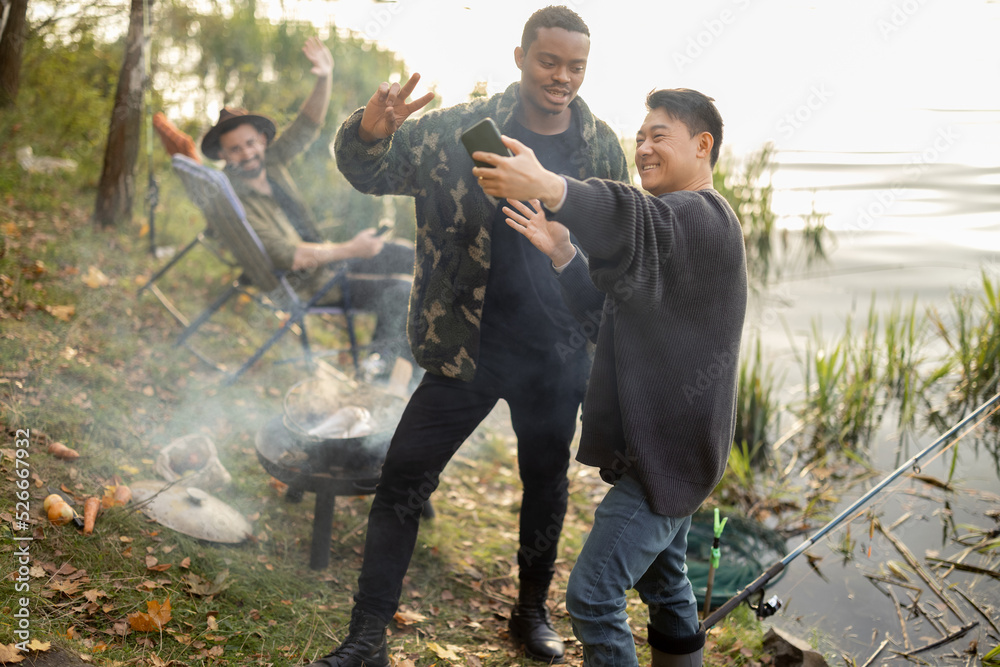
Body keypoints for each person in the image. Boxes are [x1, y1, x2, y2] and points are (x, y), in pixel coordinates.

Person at [305, 7, 629, 667]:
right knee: (402, 480)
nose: (562, 77)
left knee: (545, 485)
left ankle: (529, 612)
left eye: (576, 66)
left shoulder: (601, 147)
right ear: (519, 57)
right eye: (549, 61)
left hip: (556, 356)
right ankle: (368, 633)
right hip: (464, 345)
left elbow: (619, 249)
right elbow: (368, 172)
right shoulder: (453, 129)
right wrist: (369, 129)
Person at [473, 88, 748, 667]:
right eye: (640, 136)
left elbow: (631, 215)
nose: (643, 148)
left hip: (666, 457)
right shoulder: (673, 228)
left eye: (660, 136)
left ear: (703, 146)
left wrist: (550, 186)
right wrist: (564, 255)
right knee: (665, 587)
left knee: (593, 596)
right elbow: (612, 321)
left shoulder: (703, 217)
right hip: (668, 453)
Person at [199, 36, 416, 367]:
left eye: (250, 143)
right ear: (223, 155)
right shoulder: (234, 201)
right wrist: (352, 249)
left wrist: (324, 76)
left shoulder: (269, 162)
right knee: (402, 292)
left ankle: (392, 355)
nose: (247, 154)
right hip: (310, 283)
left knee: (404, 252)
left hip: (325, 261)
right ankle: (379, 365)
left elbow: (307, 126)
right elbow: (291, 257)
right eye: (235, 149)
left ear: (261, 140)